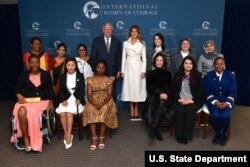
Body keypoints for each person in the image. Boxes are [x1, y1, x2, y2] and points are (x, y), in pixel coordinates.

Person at [11, 54, 54, 152]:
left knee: (32, 114)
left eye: (37, 62)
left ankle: (33, 139)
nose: (35, 64)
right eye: (32, 62)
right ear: (29, 63)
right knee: (21, 111)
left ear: (39, 63)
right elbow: (17, 90)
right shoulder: (24, 75)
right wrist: (19, 95)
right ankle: (26, 138)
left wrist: (51, 102)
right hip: (26, 101)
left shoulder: (46, 75)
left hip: (41, 101)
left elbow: (50, 90)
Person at [83, 60, 118, 150]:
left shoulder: (109, 79)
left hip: (106, 100)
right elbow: (89, 94)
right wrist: (94, 103)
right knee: (91, 111)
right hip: (93, 100)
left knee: (104, 111)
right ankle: (94, 138)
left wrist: (102, 103)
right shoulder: (90, 79)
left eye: (103, 68)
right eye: (98, 67)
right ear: (95, 68)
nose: (100, 69)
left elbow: (109, 94)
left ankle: (102, 137)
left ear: (105, 69)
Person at [204, 57, 237, 146]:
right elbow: (207, 92)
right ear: (214, 65)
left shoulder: (230, 75)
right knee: (215, 116)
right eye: (217, 64)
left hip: (227, 101)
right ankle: (218, 134)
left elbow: (233, 91)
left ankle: (223, 135)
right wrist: (216, 102)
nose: (219, 65)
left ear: (224, 64)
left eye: (221, 63)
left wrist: (227, 103)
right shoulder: (208, 76)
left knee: (225, 117)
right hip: (214, 101)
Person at [172, 56, 204, 144]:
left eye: (190, 63)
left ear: (193, 65)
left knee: (189, 111)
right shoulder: (177, 75)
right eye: (186, 63)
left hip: (193, 100)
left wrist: (192, 100)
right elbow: (173, 89)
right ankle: (179, 135)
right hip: (180, 99)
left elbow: (201, 91)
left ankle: (187, 136)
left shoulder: (197, 75)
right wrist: (179, 99)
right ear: (183, 64)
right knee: (179, 110)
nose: (188, 65)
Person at [56, 58, 85, 149]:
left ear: (75, 66)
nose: (70, 67)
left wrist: (79, 99)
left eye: (72, 65)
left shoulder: (80, 76)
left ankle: (68, 135)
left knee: (68, 113)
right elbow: (60, 91)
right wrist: (63, 99)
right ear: (66, 66)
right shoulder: (63, 76)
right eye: (68, 65)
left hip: (76, 100)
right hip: (66, 99)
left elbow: (82, 89)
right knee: (62, 113)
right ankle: (66, 133)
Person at [143, 52, 172, 142]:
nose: (159, 62)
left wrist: (165, 94)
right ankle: (156, 129)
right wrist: (159, 94)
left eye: (161, 60)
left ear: (164, 62)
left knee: (162, 103)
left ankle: (154, 128)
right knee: (158, 103)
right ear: (154, 62)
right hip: (154, 95)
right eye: (157, 60)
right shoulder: (150, 73)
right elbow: (149, 88)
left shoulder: (168, 73)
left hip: (165, 95)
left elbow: (170, 87)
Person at [121, 25, 147, 120]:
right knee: (130, 88)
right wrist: (123, 71)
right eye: (132, 31)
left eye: (136, 31)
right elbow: (123, 58)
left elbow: (144, 59)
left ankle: (136, 108)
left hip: (138, 68)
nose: (134, 33)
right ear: (130, 32)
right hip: (128, 68)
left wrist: (143, 71)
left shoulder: (142, 43)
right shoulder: (125, 43)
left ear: (138, 33)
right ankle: (131, 108)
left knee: (136, 88)